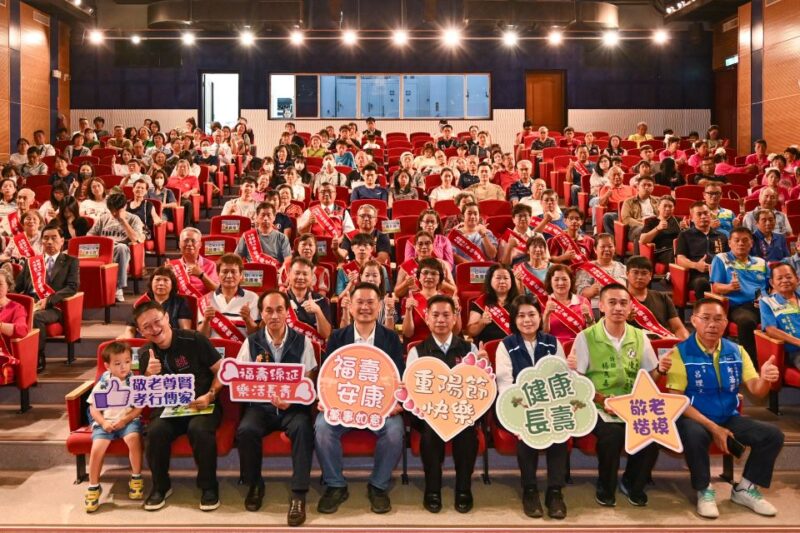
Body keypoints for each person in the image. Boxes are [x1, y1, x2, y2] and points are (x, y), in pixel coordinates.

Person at [667, 298, 784, 519]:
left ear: (725, 323)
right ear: (694, 321)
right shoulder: (680, 352)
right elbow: (677, 401)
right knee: (693, 434)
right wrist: (714, 428)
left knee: (772, 435)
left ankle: (745, 489)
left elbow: (757, 390)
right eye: (706, 318)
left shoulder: (737, 351)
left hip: (728, 416)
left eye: (718, 319)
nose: (712, 324)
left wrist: (766, 379)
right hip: (694, 417)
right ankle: (704, 490)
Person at [568, 283, 670, 507]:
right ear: (602, 306)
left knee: (652, 433)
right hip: (598, 404)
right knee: (612, 436)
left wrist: (661, 370)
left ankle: (632, 482)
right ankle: (606, 485)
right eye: (612, 302)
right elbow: (578, 381)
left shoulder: (640, 336)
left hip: (633, 404)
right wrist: (602, 399)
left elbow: (649, 377)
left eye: (623, 303)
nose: (618, 308)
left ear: (630, 307)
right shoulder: (586, 337)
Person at [315, 282, 405, 515]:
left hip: (379, 407)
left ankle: (378, 486)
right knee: (322, 428)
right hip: (344, 404)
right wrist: (325, 399)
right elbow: (327, 375)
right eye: (360, 302)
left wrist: (397, 402)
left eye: (370, 302)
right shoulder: (338, 337)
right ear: (351, 306)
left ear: (379, 306)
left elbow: (399, 376)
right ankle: (335, 485)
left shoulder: (391, 338)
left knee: (395, 431)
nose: (365, 307)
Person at [235, 290, 317, 526]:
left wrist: (292, 398)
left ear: (287, 312)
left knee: (303, 429)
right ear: (261, 313)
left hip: (293, 407)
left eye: (279, 309)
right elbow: (240, 377)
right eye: (268, 310)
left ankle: (299, 494)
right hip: (261, 407)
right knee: (246, 431)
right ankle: (254, 485)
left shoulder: (302, 341)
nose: (274, 315)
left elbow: (309, 377)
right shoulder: (251, 342)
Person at [133, 301, 225, 512]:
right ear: (140, 331)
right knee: (155, 431)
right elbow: (144, 394)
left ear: (167, 318)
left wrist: (210, 395)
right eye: (147, 327)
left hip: (202, 405)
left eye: (157, 321)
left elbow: (222, 371)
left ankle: (209, 487)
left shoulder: (195, 339)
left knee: (199, 429)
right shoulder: (145, 353)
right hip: (168, 409)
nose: (154, 329)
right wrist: (148, 376)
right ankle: (160, 487)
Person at [406, 295, 484, 513]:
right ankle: (432, 489)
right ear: (427, 318)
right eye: (435, 315)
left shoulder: (470, 349)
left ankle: (463, 489)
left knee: (467, 431)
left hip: (461, 412)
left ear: (455, 318)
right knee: (431, 432)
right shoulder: (417, 351)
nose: (441, 320)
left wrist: (483, 368)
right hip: (430, 415)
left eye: (446, 315)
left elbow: (478, 388)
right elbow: (412, 389)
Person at [496, 294, 568, 518]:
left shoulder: (553, 343)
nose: (527, 320)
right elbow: (505, 385)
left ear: (540, 316)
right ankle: (530, 489)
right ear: (514, 320)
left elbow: (561, 380)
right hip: (516, 407)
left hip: (550, 406)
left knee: (560, 429)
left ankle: (555, 491)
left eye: (532, 314)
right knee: (527, 430)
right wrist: (524, 413)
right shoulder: (505, 345)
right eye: (521, 316)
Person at [83, 341, 144, 513]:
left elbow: (139, 407)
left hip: (128, 421)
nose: (123, 366)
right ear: (107, 366)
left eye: (127, 361)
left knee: (133, 439)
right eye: (117, 363)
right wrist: (103, 422)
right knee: (97, 448)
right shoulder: (103, 383)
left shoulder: (134, 382)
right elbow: (93, 408)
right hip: (106, 422)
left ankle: (136, 478)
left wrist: (125, 420)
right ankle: (93, 486)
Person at [710, 227, 769, 366]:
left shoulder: (760, 262)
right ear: (730, 243)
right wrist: (729, 287)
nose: (741, 243)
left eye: (745, 240)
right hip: (739, 306)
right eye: (736, 240)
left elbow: (771, 286)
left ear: (751, 243)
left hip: (764, 304)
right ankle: (751, 365)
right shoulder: (721, 259)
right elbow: (715, 287)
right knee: (746, 322)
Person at [87, 193, 145, 302]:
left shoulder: (134, 219)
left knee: (121, 248)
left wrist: (123, 220)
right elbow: (89, 236)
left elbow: (136, 239)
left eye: (117, 211)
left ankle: (118, 287)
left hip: (121, 249)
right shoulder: (103, 218)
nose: (114, 213)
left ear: (125, 207)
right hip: (103, 249)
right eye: (112, 210)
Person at [119, 267, 193, 339]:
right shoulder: (142, 301)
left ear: (172, 284)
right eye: (157, 280)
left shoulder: (180, 302)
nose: (161, 283)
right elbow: (130, 330)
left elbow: (185, 330)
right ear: (151, 283)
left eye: (165, 280)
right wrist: (128, 341)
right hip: (144, 342)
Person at [197, 254, 259, 340]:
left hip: (241, 348)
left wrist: (248, 320)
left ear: (241, 275)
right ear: (218, 274)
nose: (229, 276)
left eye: (233, 272)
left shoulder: (252, 298)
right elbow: (202, 337)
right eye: (225, 272)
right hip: (213, 347)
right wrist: (206, 321)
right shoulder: (206, 300)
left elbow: (256, 335)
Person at [625, 256, 689, 339]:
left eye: (644, 273)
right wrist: (623, 319)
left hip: (662, 344)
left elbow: (678, 328)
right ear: (627, 274)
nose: (640, 277)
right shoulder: (619, 300)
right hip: (634, 344)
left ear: (650, 275)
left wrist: (686, 342)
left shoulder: (663, 298)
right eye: (635, 272)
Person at [676, 202, 730, 299]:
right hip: (698, 275)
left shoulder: (721, 236)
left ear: (710, 215)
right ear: (692, 218)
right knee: (702, 283)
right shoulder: (685, 235)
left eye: (706, 213)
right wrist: (696, 265)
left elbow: (729, 257)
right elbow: (680, 259)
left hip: (720, 274)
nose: (703, 216)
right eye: (699, 214)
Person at [401, 258, 460, 344]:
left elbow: (455, 332)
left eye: (433, 273)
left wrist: (457, 311)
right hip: (417, 347)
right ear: (419, 277)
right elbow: (408, 333)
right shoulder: (409, 299)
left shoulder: (448, 300)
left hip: (442, 347)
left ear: (440, 278)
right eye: (425, 273)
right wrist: (408, 310)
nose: (429, 277)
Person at [466, 264, 519, 344]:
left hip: (514, 346)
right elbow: (471, 331)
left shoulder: (518, 302)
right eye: (498, 278)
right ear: (490, 280)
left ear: (512, 281)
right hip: (488, 347)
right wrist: (482, 322)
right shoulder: (481, 302)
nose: (502, 281)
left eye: (506, 278)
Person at [760, 263, 800, 368]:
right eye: (779, 278)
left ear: (797, 279)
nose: (785, 281)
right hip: (795, 352)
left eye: (789, 277)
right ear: (772, 283)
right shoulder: (767, 302)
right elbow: (771, 330)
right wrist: (798, 342)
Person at [542, 264, 593, 346]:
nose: (561, 283)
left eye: (564, 279)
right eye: (556, 279)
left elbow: (592, 332)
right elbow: (542, 335)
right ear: (550, 282)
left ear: (571, 281)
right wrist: (547, 314)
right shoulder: (543, 302)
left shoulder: (583, 301)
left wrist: (588, 317)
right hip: (552, 347)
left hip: (578, 346)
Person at [395, 231, 456, 298]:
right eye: (420, 244)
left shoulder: (442, 264)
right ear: (415, 246)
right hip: (414, 302)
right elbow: (397, 293)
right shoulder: (405, 266)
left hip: (438, 302)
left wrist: (443, 284)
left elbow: (454, 291)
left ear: (433, 246)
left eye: (427, 243)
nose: (424, 247)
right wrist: (405, 284)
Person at [575, 234, 627, 312]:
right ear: (595, 249)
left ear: (614, 248)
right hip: (597, 308)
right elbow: (580, 292)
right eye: (602, 247)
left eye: (610, 246)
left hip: (620, 308)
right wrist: (591, 291)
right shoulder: (587, 268)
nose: (607, 249)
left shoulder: (623, 268)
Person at [285, 257, 333, 341]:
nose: (300, 277)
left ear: (311, 277)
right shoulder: (280, 299)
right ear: (289, 274)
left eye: (305, 274)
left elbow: (326, 334)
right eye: (297, 273)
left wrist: (318, 311)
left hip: (313, 345)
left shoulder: (321, 300)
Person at [169, 227, 220, 296]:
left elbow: (217, 290)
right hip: (180, 302)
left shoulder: (210, 265)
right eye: (186, 240)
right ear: (179, 245)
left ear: (200, 245)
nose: (189, 244)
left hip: (204, 302)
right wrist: (167, 276)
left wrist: (201, 275)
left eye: (193, 241)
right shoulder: (172, 265)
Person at [639, 196, 681, 267]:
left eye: (670, 206)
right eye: (665, 206)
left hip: (679, 249)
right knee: (676, 255)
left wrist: (686, 229)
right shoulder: (651, 221)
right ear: (658, 207)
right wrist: (657, 228)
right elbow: (642, 240)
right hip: (663, 252)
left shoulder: (678, 221)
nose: (667, 209)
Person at [620, 175, 659, 251]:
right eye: (644, 185)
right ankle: (637, 257)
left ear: (653, 187)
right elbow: (626, 219)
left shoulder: (658, 201)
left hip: (655, 226)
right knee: (642, 230)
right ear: (638, 187)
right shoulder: (629, 202)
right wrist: (644, 225)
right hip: (635, 228)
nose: (646, 187)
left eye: (649, 185)